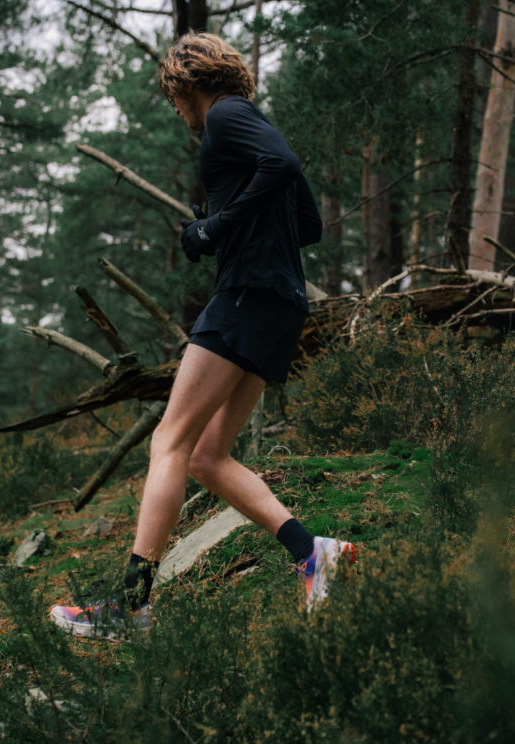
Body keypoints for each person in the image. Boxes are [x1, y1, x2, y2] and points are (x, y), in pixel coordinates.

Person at [50, 32, 355, 640]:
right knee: (207, 456)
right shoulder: (254, 123)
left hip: (245, 297)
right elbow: (309, 225)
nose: (176, 110)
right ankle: (313, 553)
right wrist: (235, 226)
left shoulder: (226, 116)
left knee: (169, 440)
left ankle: (130, 608)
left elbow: (282, 167)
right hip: (281, 304)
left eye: (174, 97)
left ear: (188, 83)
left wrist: (215, 228)